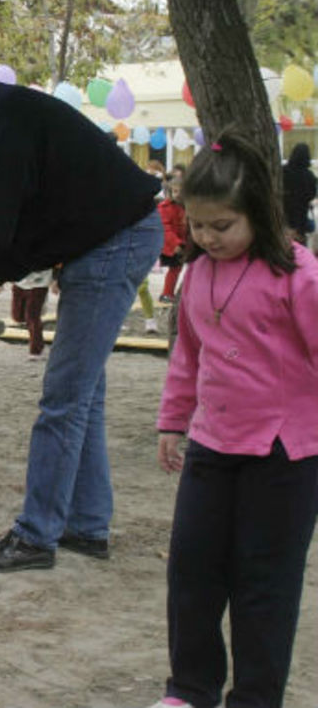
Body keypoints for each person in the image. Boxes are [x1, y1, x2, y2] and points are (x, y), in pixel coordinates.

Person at [0, 50, 161, 572]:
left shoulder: (2, 120)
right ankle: (86, 525)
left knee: (63, 396)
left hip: (115, 241)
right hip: (104, 239)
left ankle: (34, 537)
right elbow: (17, 224)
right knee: (83, 394)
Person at [149, 129, 318, 708]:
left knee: (263, 587)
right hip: (212, 447)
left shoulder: (298, 273)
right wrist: (174, 420)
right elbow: (188, 357)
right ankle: (190, 689)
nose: (207, 237)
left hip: (283, 455)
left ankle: (254, 696)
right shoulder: (196, 275)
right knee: (192, 574)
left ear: (257, 215)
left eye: (222, 226)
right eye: (198, 225)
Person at [10, 268, 54, 359]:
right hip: (20, 282)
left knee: (32, 318)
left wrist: (55, 281)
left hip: (39, 284)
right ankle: (39, 308)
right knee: (17, 317)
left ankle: (36, 351)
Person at [158, 176, 187, 303]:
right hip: (173, 245)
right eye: (175, 191)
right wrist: (176, 243)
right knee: (175, 268)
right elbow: (165, 228)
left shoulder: (186, 206)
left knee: (180, 268)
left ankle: (172, 292)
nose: (178, 194)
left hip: (185, 242)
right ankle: (167, 293)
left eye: (180, 191)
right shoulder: (165, 207)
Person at [281, 142, 315, 244]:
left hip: (284, 212)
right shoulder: (309, 176)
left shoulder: (283, 171)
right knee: (299, 245)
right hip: (301, 215)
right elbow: (311, 195)